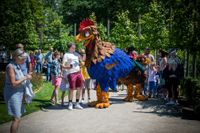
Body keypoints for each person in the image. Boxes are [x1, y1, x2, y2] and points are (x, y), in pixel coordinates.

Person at [4, 48, 32, 133]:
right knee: (17, 118)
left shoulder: (17, 65)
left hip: (19, 93)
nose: (24, 61)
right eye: (23, 59)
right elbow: (13, 83)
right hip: (13, 94)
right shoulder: (10, 67)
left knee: (18, 117)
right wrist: (25, 77)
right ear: (16, 57)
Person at [62, 42, 84, 110]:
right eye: (73, 47)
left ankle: (77, 103)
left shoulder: (76, 54)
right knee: (71, 89)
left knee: (79, 88)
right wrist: (68, 67)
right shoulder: (66, 55)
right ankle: (70, 104)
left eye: (75, 47)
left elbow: (83, 60)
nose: (74, 49)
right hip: (71, 73)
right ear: (69, 48)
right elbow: (63, 65)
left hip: (78, 72)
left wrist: (84, 52)